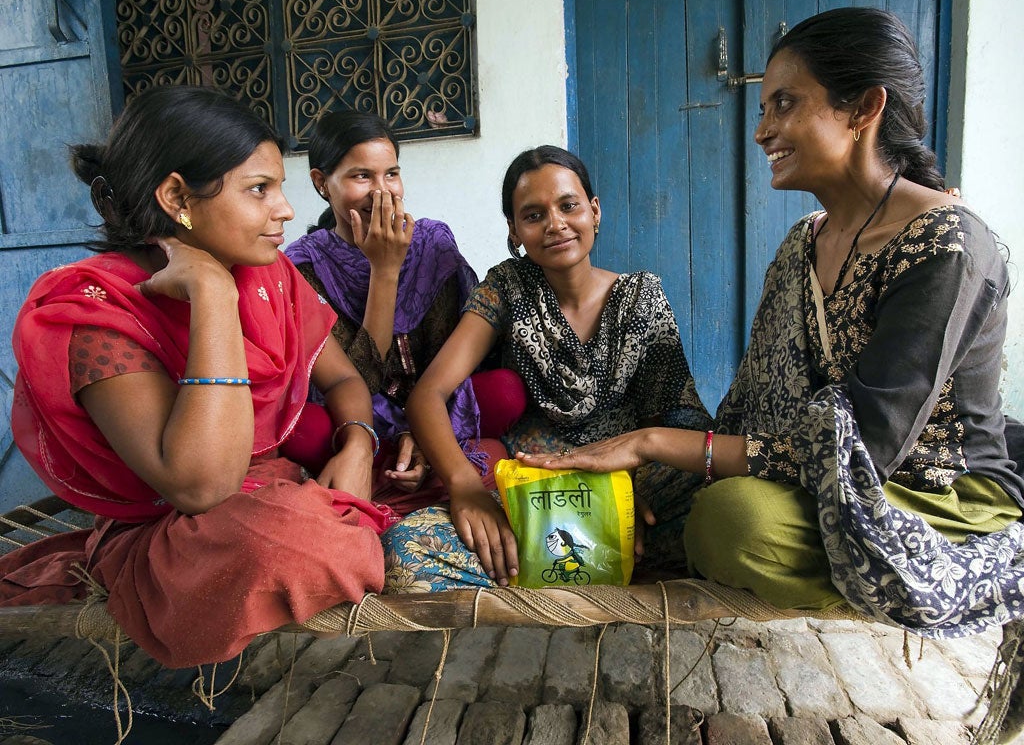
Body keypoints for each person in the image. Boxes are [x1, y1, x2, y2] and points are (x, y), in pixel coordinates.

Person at [519, 8, 1024, 637]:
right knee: (676, 504)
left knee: (733, 522)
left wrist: (651, 441)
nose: (762, 132)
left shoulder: (948, 246)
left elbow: (866, 450)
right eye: (763, 109)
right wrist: (659, 469)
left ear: (864, 108)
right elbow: (752, 401)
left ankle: (950, 578)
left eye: (784, 104)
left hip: (933, 494)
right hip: (819, 479)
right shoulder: (803, 245)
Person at [0, 86, 395, 668]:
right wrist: (211, 293)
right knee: (287, 543)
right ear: (177, 197)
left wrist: (358, 444)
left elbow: (344, 381)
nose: (284, 210)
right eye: (260, 190)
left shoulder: (271, 276)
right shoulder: (98, 317)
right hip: (180, 527)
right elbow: (201, 488)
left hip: (269, 488)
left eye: (280, 188)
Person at [384, 145, 711, 591]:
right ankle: (574, 563)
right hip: (534, 496)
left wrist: (634, 490)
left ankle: (572, 562)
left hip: (626, 489)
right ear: (515, 231)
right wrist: (465, 487)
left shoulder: (641, 296)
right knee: (405, 554)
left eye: (569, 205)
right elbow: (428, 394)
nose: (555, 224)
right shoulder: (506, 287)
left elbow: (673, 418)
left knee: (718, 513)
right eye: (533, 215)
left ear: (594, 211)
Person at [285, 110, 523, 516]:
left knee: (504, 390)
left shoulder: (432, 243)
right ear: (322, 184)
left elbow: (448, 364)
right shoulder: (304, 266)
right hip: (353, 420)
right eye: (362, 176)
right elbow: (357, 380)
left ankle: (400, 472)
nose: (383, 192)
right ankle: (380, 467)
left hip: (430, 408)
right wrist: (384, 270)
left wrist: (423, 434)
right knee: (305, 429)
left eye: (391, 174)